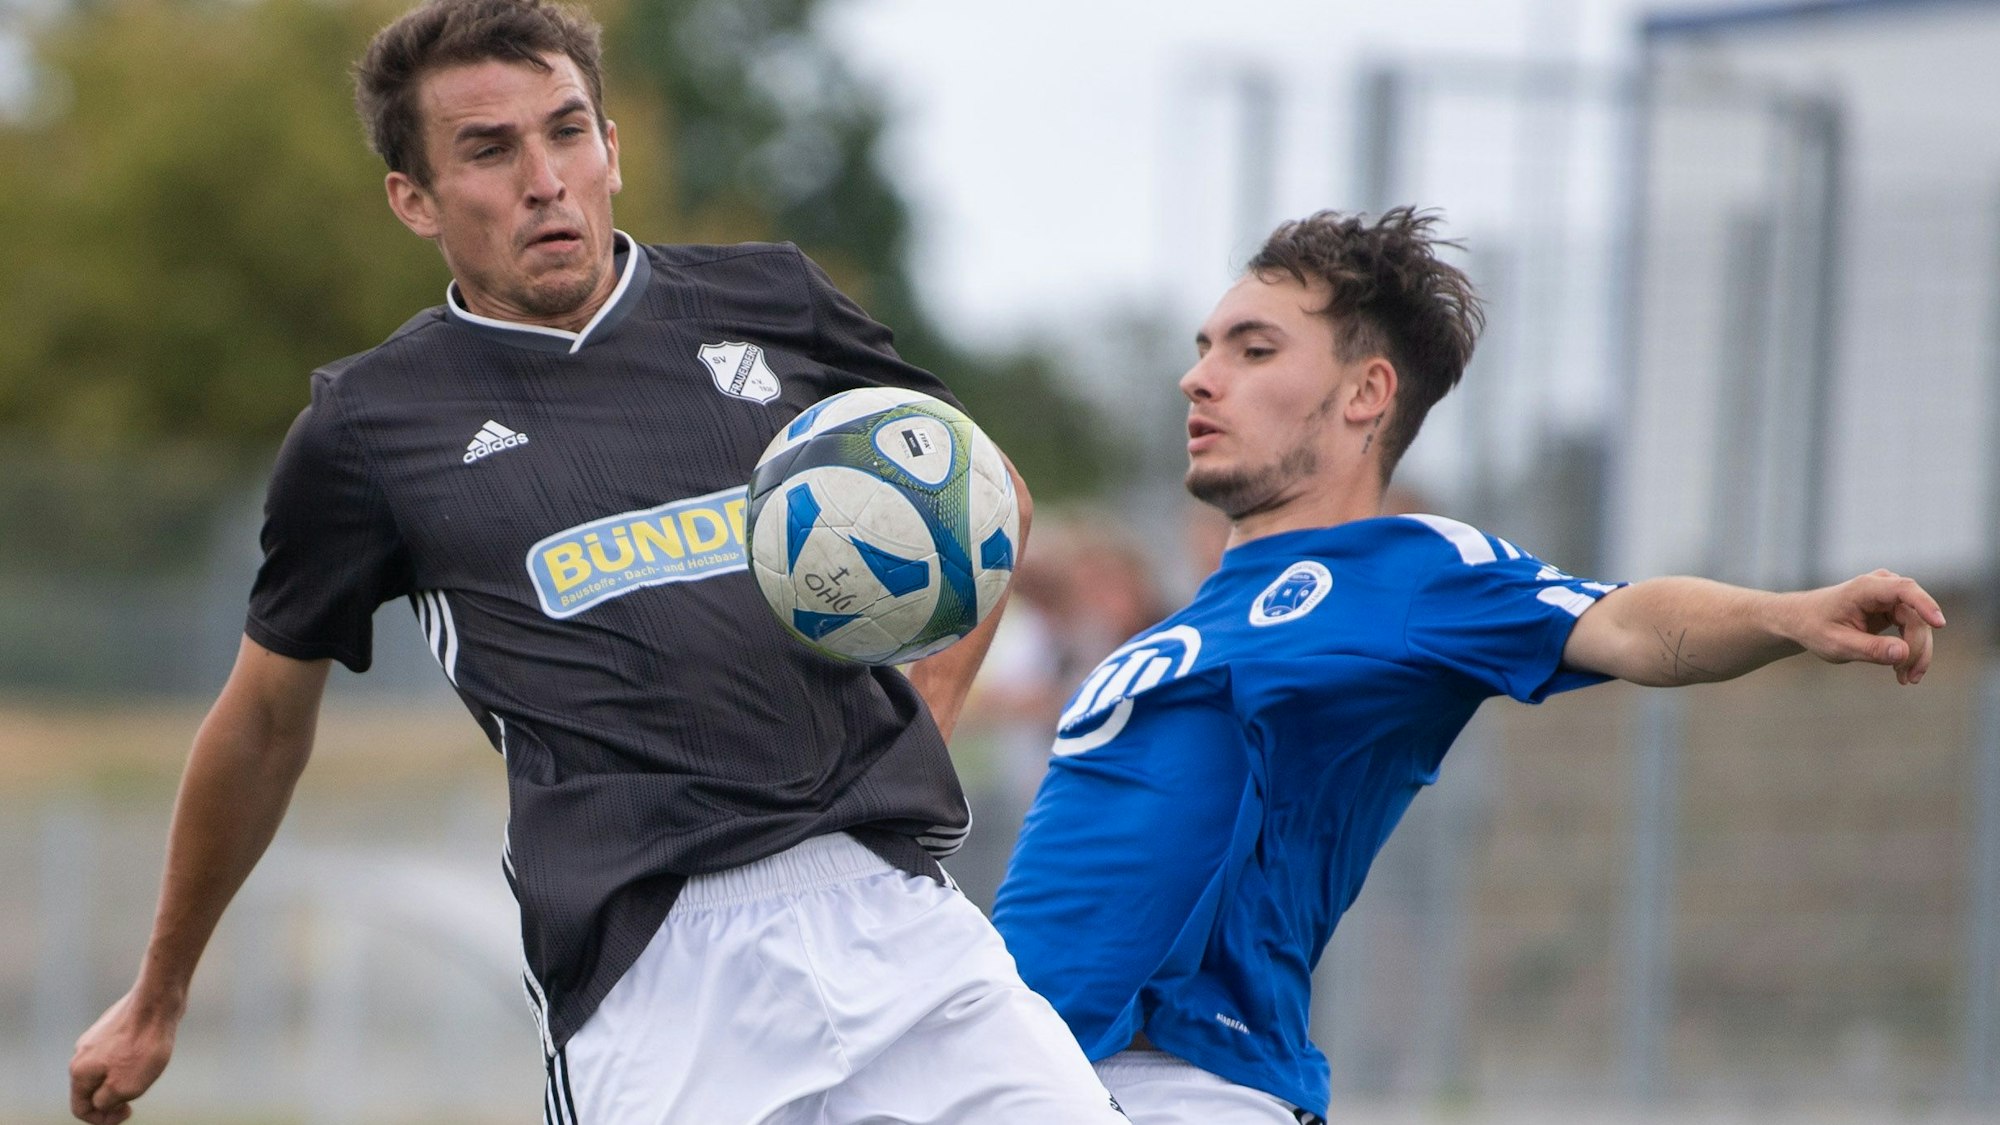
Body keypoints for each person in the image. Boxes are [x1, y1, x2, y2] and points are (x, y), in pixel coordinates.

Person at [67, 1, 1127, 1122]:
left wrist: (926, 712)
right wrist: (159, 992)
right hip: (656, 970)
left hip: (892, 912)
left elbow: (982, 490)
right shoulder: (368, 426)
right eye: (488, 149)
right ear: (412, 200)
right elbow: (266, 721)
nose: (544, 178)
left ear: (611, 149)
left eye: (567, 131)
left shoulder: (769, 302)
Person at [989, 208, 1945, 1125]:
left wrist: (1789, 613)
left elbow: (1626, 622)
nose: (1201, 378)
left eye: (1253, 348)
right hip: (1021, 1068)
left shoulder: (1407, 571)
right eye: (1205, 347)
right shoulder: (1195, 615)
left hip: (1172, 1079)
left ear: (1365, 392)